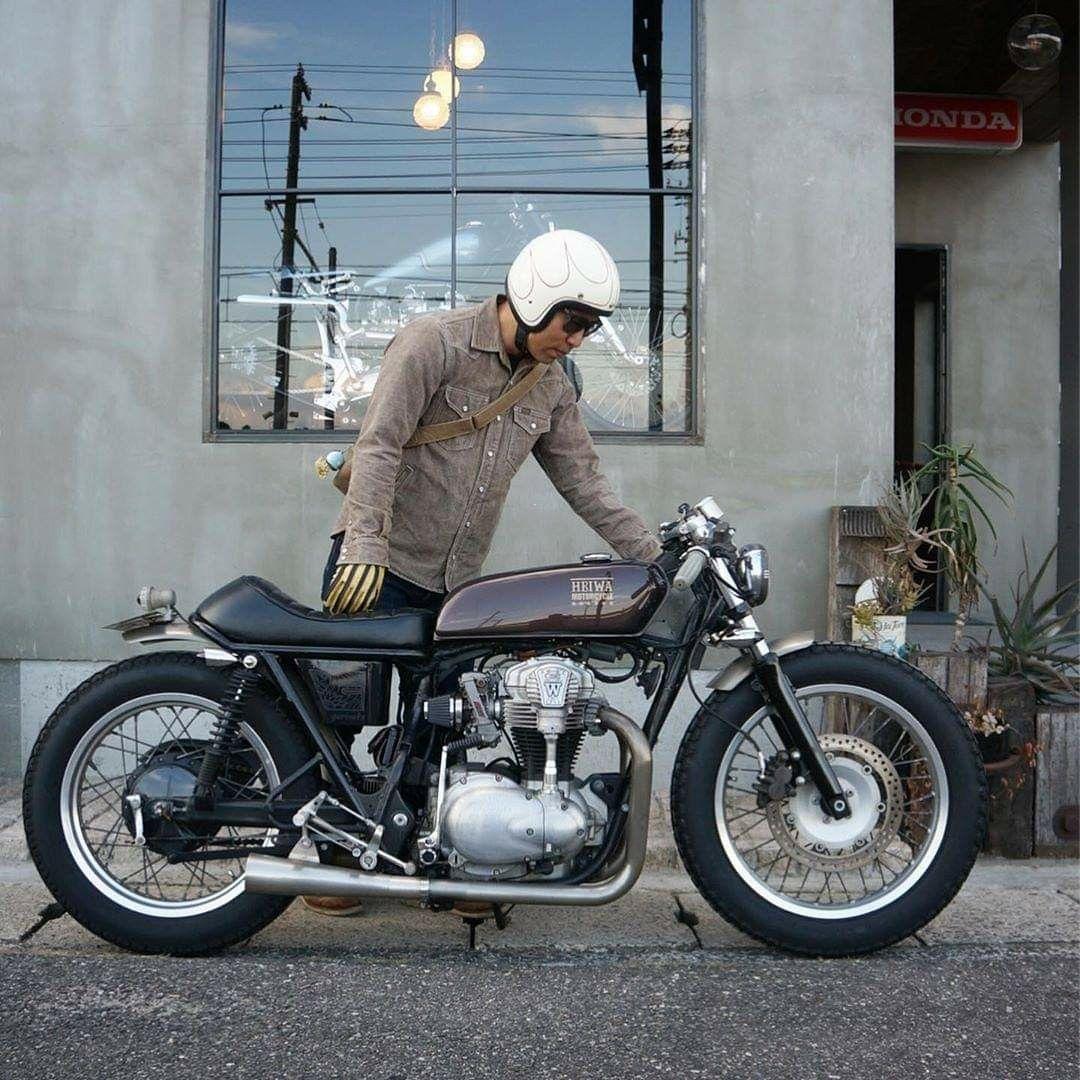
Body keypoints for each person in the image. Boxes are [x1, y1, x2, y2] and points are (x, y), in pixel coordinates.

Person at [304, 229, 661, 917]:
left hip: (456, 590)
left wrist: (654, 557)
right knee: (335, 717)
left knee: (442, 727)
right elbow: (378, 444)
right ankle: (338, 859)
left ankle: (456, 864)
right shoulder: (431, 344)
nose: (577, 340)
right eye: (572, 322)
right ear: (532, 300)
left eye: (589, 328)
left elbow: (585, 483)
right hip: (376, 565)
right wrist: (364, 545)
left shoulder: (550, 385)